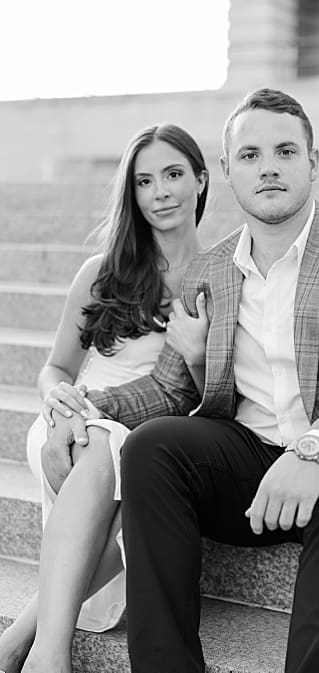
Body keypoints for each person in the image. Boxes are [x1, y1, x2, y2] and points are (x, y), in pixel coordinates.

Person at [44, 88, 319, 673]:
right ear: (227, 171)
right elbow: (169, 393)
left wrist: (314, 448)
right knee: (155, 445)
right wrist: (81, 405)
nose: (270, 167)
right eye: (251, 155)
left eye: (285, 151)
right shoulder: (211, 269)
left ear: (312, 160)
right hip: (253, 461)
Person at [0, 123, 210, 673]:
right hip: (77, 417)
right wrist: (59, 402)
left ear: (201, 180)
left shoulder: (220, 278)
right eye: (144, 181)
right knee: (98, 441)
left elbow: (212, 389)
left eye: (172, 175)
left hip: (155, 428)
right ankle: (49, 654)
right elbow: (54, 368)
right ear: (132, 194)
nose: (160, 192)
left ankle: (24, 639)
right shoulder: (101, 273)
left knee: (126, 452)